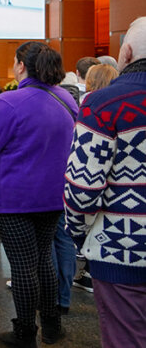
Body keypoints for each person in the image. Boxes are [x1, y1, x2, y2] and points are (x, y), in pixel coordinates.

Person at [0, 41, 76, 347]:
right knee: (44, 258)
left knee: (23, 266)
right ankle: (53, 327)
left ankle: (25, 332)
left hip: (14, 198)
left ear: (20, 65)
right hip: (54, 195)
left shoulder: (9, 103)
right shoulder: (67, 99)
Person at [64, 17, 146, 348]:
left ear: (125, 53)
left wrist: (78, 233)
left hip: (120, 250)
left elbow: (82, 187)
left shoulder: (102, 104)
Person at [69, 60, 120, 296]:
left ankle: (87, 271)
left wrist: (76, 229)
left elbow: (86, 176)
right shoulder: (123, 107)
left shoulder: (89, 107)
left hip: (94, 193)